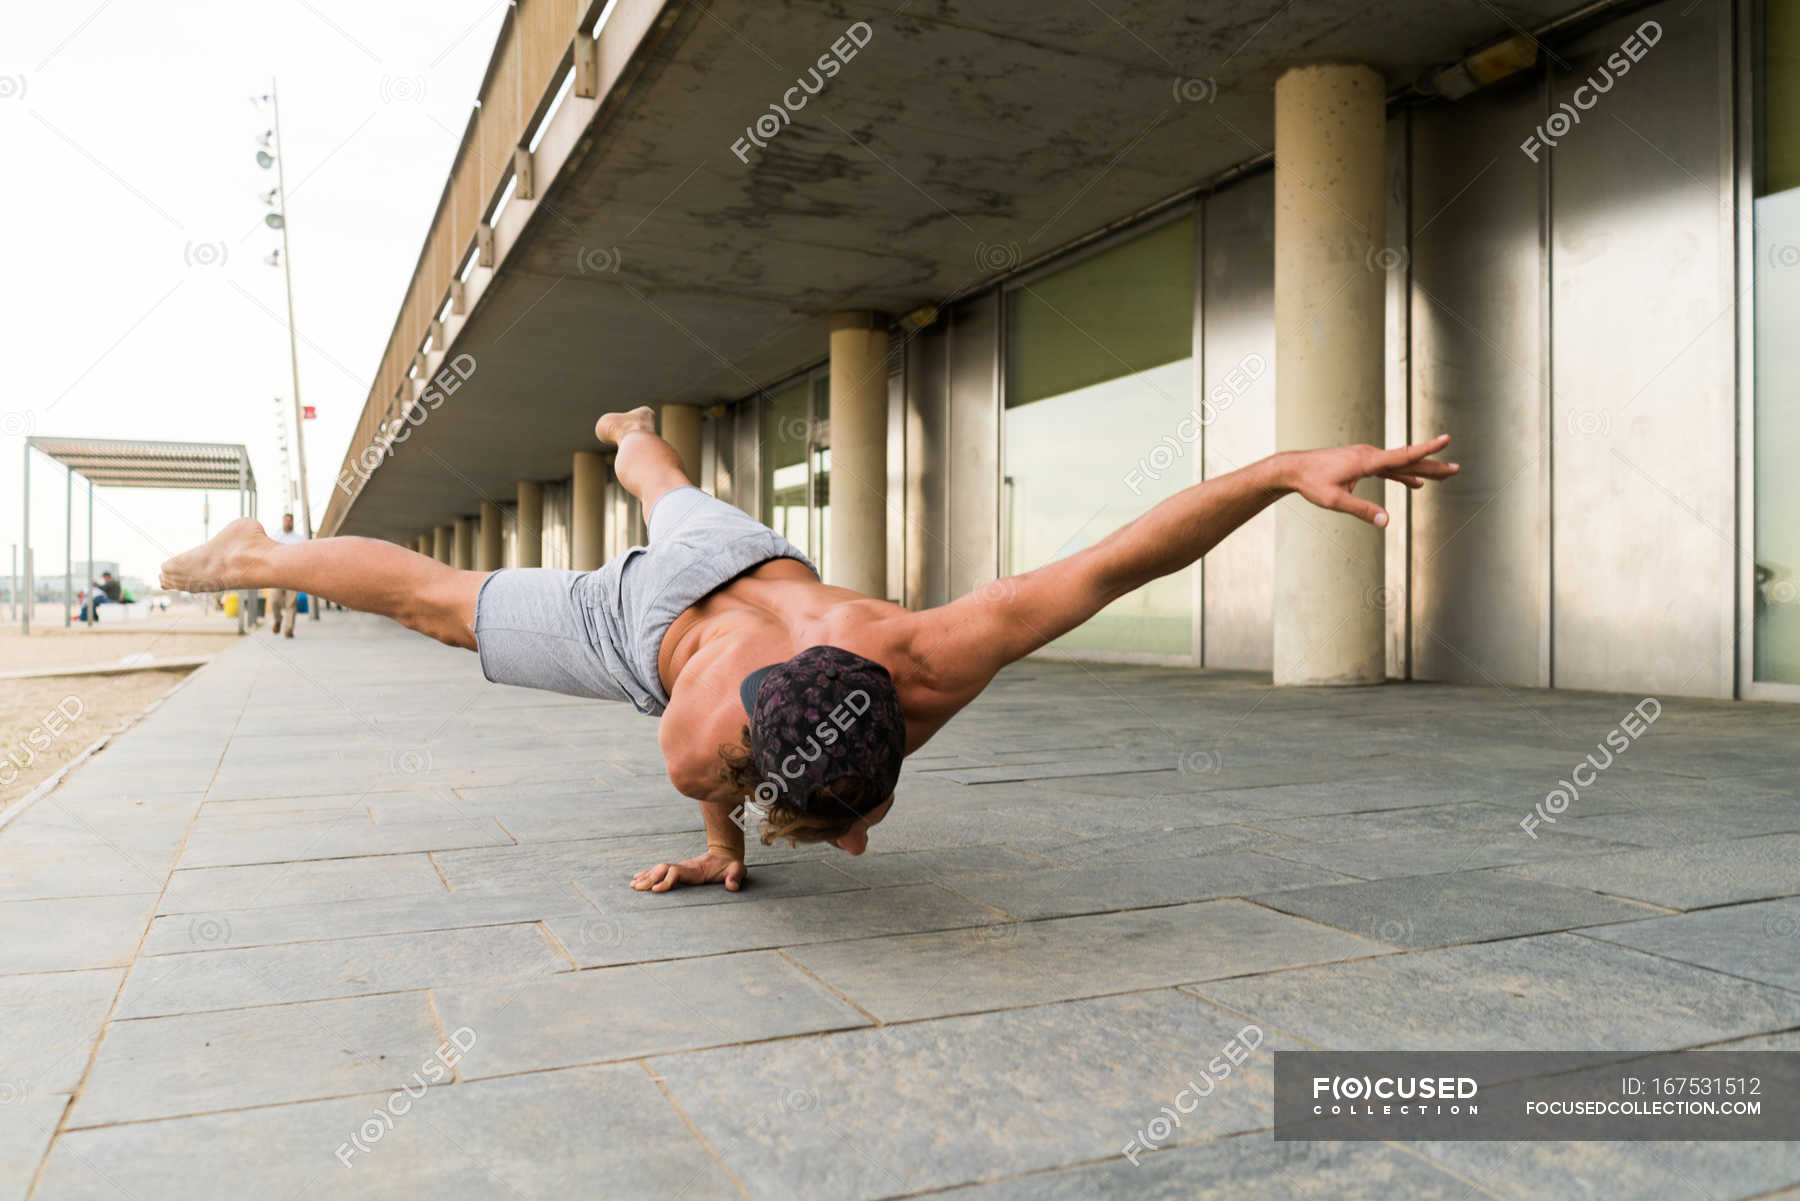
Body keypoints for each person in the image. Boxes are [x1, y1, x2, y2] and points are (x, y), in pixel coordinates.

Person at [160, 407, 1458, 893]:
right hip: (660, 621)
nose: (853, 841)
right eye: (851, 828)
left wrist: (1295, 467)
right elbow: (1126, 559)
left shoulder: (938, 652)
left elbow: (1127, 554)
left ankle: (635, 439)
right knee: (447, 601)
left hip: (737, 567)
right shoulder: (694, 734)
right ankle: (259, 553)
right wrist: (722, 851)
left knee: (664, 489)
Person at [269, 514, 308, 637]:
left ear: (293, 522)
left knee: (291, 603)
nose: (288, 523)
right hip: (277, 575)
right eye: (286, 520)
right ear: (282, 522)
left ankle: (289, 629)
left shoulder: (300, 539)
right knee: (274, 601)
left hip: (293, 574)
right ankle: (278, 620)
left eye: (290, 521)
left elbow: (306, 555)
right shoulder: (275, 537)